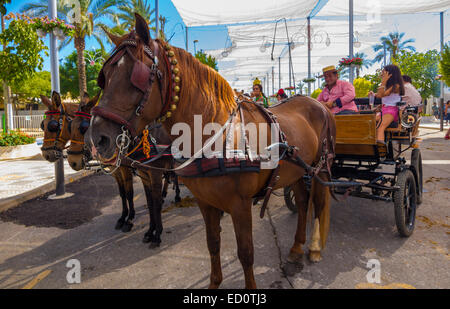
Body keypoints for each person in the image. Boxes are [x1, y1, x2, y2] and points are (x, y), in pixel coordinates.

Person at [369, 64, 405, 144]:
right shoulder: (388, 86)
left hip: (391, 111)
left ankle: (381, 150)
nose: (382, 74)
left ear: (390, 74)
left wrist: (383, 81)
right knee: (368, 122)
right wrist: (373, 94)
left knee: (380, 127)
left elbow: (381, 95)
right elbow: (380, 95)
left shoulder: (396, 86)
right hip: (384, 110)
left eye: (384, 72)